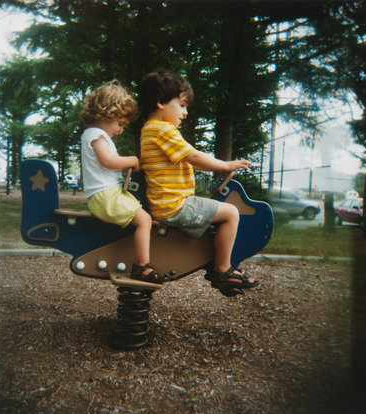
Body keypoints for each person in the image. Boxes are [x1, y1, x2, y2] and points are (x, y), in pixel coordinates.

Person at [137, 69, 258, 290]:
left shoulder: (148, 130)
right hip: (174, 205)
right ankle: (222, 269)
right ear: (161, 102)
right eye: (182, 105)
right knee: (231, 213)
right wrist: (226, 165)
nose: (185, 112)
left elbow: (189, 161)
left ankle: (216, 263)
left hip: (163, 204)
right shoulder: (164, 130)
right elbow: (194, 157)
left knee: (218, 211)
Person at [80, 81, 168, 283]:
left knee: (143, 212)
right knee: (144, 220)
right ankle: (142, 267)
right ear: (106, 114)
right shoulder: (97, 135)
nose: (120, 130)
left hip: (106, 194)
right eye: (120, 124)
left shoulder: (93, 135)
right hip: (106, 195)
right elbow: (108, 161)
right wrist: (133, 160)